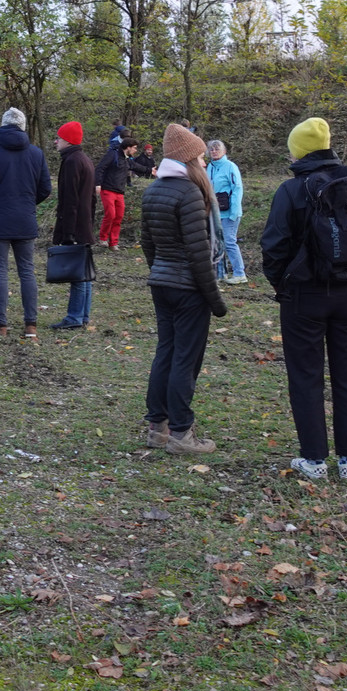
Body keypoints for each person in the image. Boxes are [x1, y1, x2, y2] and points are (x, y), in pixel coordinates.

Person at [261, 117, 347, 482]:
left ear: (298, 150)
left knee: (305, 376)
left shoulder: (291, 189)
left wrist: (282, 284)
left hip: (304, 297)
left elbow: (273, 245)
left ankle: (313, 460)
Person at [140, 123, 229, 455]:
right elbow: (198, 254)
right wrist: (215, 299)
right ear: (189, 159)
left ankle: (157, 428)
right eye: (201, 157)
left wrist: (161, 271)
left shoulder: (154, 190)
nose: (205, 163)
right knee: (185, 360)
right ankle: (181, 434)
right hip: (188, 289)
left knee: (166, 352)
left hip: (162, 284)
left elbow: (147, 243)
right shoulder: (190, 193)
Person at [0, 107, 51, 338]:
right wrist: (28, 204)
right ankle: (30, 325)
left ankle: (1, 324)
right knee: (27, 271)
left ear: (3, 125)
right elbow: (45, 188)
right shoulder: (36, 154)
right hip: (25, 220)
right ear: (23, 127)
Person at [51, 120, 96, 331]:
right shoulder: (84, 159)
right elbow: (91, 199)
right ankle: (83, 314)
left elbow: (70, 200)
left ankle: (75, 316)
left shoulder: (71, 162)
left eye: (59, 138)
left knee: (78, 275)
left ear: (67, 140)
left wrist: (67, 232)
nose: (56, 141)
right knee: (85, 273)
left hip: (75, 225)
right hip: (84, 224)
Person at [207, 139, 247, 284]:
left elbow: (237, 188)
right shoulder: (209, 167)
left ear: (224, 151)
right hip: (215, 211)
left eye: (217, 149)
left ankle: (239, 273)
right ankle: (221, 273)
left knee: (229, 241)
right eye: (211, 149)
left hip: (230, 211)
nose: (214, 151)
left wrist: (234, 211)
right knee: (217, 243)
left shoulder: (230, 167)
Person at [95, 136, 136, 251]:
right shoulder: (112, 155)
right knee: (111, 214)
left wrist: (150, 170)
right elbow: (100, 168)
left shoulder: (127, 159)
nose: (136, 150)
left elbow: (137, 167)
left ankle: (113, 242)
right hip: (108, 189)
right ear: (128, 147)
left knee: (118, 217)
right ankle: (103, 238)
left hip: (120, 192)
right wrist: (97, 184)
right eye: (134, 148)